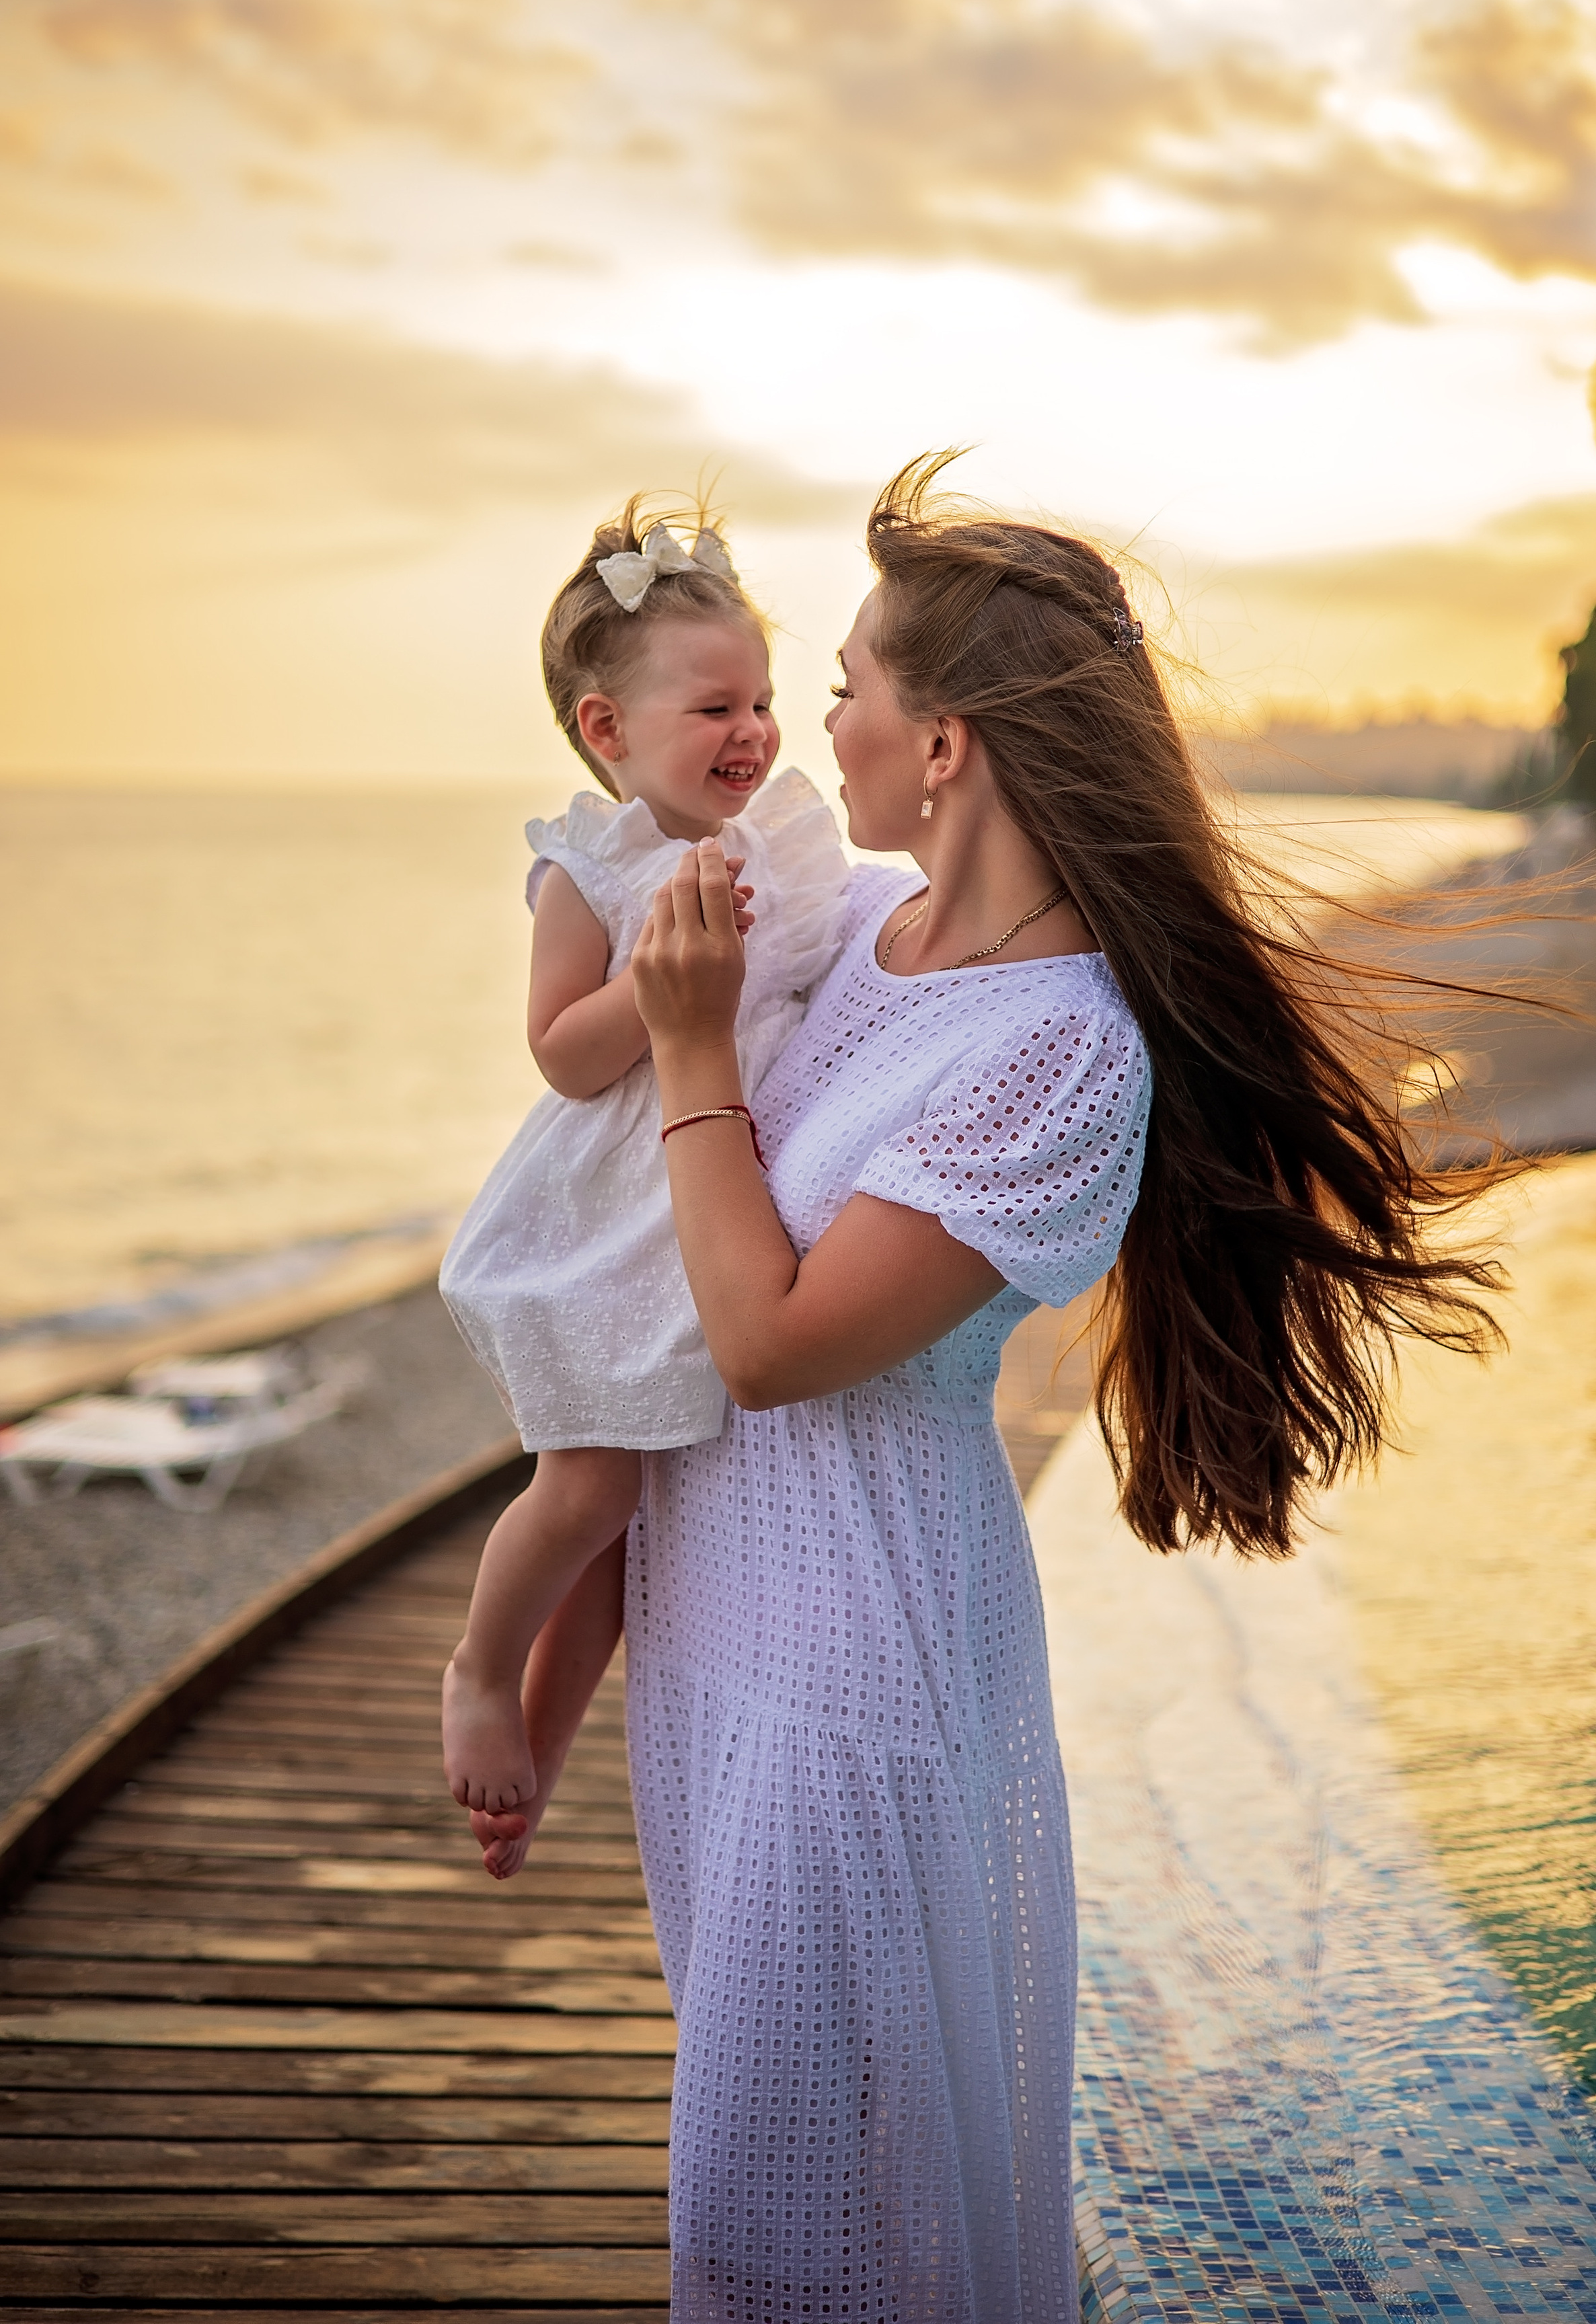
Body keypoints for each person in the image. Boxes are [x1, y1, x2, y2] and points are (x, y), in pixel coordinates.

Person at [488, 459, 1505, 2319]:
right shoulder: (856, 941)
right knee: (772, 2206)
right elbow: (647, 1237)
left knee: (782, 2230)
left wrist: (697, 1039)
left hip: (857, 1680)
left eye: (857, 679)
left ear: (942, 742)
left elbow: (774, 1344)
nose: (824, 719)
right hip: (716, 1645)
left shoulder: (1064, 1057)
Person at [437, 506, 848, 1846]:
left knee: (637, 1542)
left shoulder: (781, 841)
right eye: (714, 707)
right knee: (591, 1496)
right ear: (608, 731)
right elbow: (562, 1054)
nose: (754, 732)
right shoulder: (595, 870)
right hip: (613, 1226)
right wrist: (659, 985)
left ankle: (539, 1760)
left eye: (764, 701)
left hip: (714, 1217)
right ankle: (481, 1670)